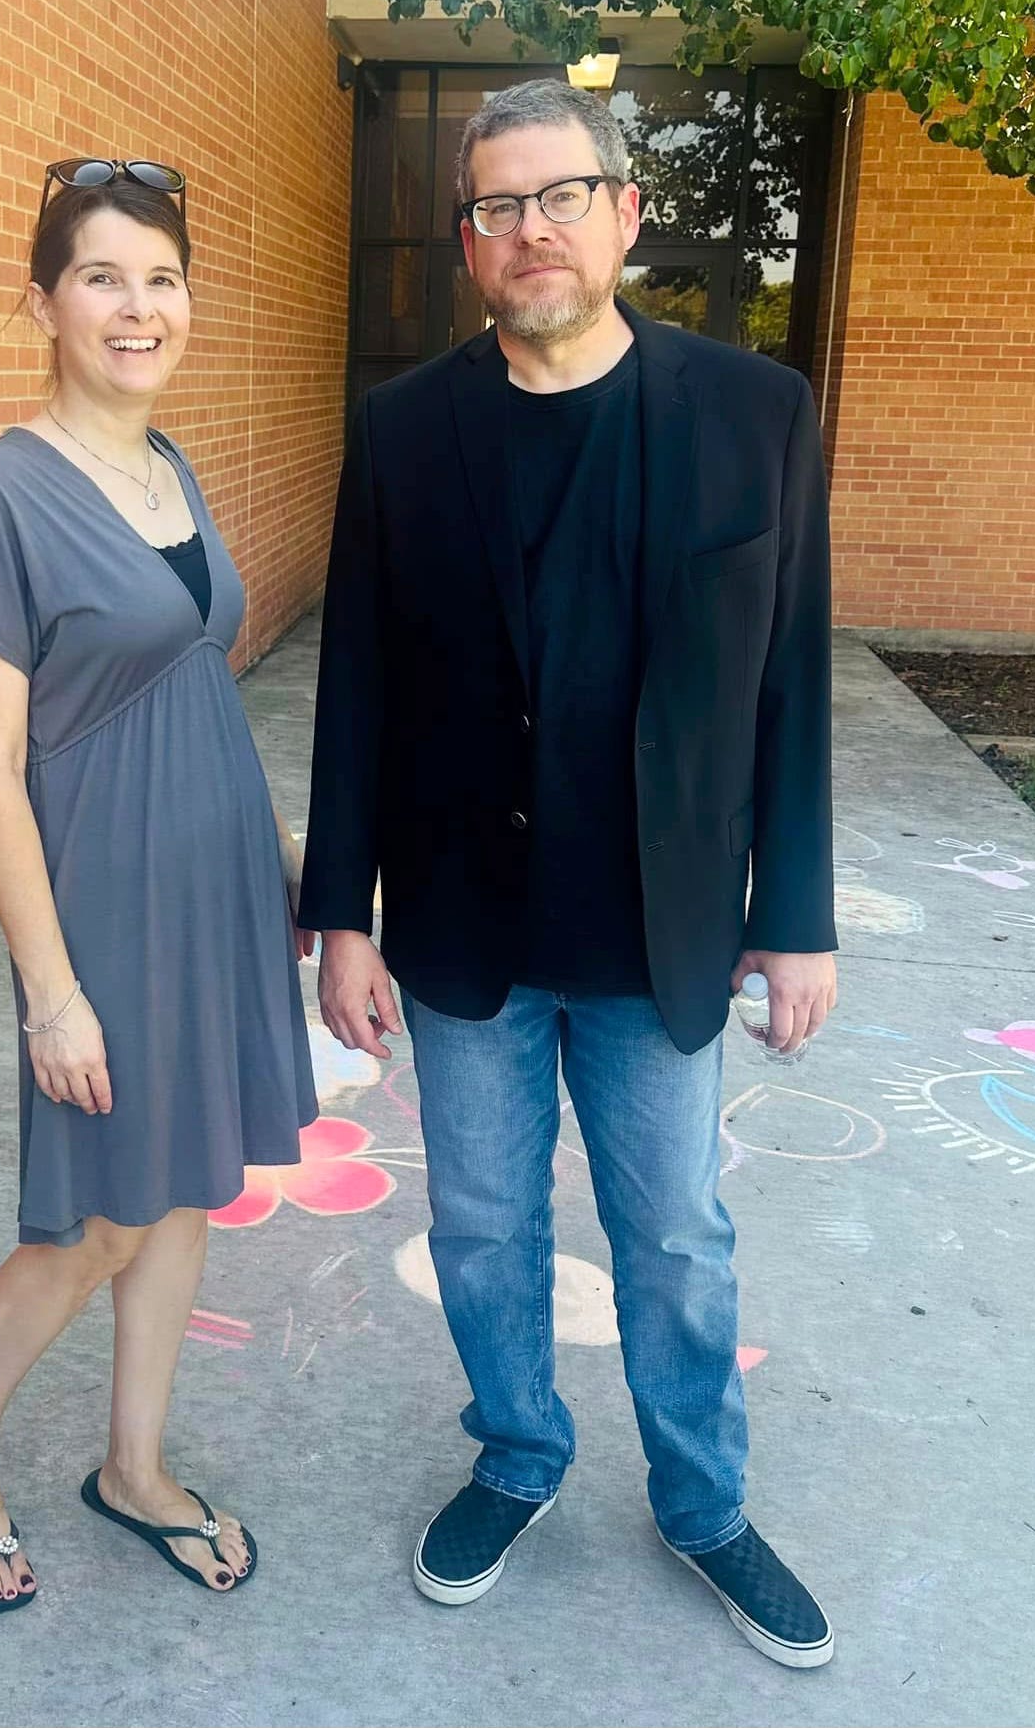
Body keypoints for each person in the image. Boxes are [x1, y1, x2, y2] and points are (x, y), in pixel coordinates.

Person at [300, 82, 838, 1667]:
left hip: (660, 928)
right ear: (466, 240)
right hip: (464, 919)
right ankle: (519, 1452)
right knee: (479, 1223)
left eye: (557, 196)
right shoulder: (405, 430)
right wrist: (342, 914)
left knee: (673, 1233)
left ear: (624, 214)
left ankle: (702, 1504)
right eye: (493, 207)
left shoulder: (755, 414)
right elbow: (359, 692)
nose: (526, 229)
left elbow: (789, 679)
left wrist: (792, 916)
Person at [0, 157, 317, 1613]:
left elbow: (190, 696)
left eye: (161, 278)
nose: (138, 307)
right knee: (96, 1219)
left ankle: (133, 1468)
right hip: (104, 924)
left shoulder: (171, 469)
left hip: (213, 900)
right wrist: (51, 995)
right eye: (102, 277)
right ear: (43, 301)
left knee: (186, 1187)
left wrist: (287, 871)